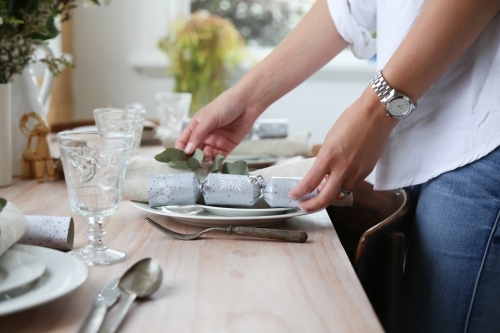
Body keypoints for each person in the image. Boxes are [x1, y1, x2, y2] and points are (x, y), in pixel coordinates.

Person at [176, 0, 500, 331]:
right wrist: (247, 100)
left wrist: (374, 112)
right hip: (423, 131)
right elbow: (347, 5)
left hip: (483, 137)